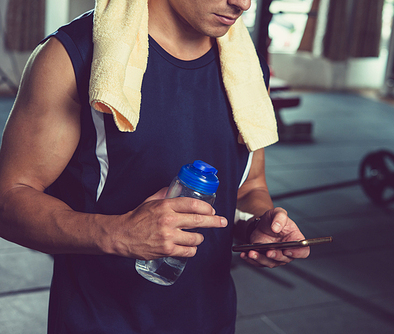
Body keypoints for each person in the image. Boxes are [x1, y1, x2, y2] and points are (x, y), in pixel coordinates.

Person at [0, 0, 309, 333]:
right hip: (101, 319)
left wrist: (258, 225)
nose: (243, 3)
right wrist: (116, 233)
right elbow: (10, 199)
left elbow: (249, 187)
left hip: (211, 318)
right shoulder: (73, 55)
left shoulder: (246, 68)